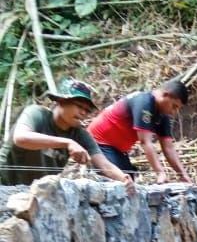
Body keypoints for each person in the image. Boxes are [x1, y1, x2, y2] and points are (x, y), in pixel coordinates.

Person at [0, 77, 134, 193]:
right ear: (60, 101)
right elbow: (21, 138)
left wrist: (123, 178)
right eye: (79, 106)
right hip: (4, 186)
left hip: (34, 193)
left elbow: (103, 164)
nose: (83, 113)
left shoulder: (80, 134)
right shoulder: (37, 114)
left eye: (87, 110)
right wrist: (67, 142)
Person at [88, 79, 192, 183]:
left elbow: (168, 148)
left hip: (117, 149)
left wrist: (183, 175)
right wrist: (160, 173)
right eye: (174, 106)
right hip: (97, 143)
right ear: (165, 95)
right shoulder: (144, 102)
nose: (174, 112)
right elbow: (145, 142)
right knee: (119, 182)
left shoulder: (163, 114)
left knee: (129, 181)